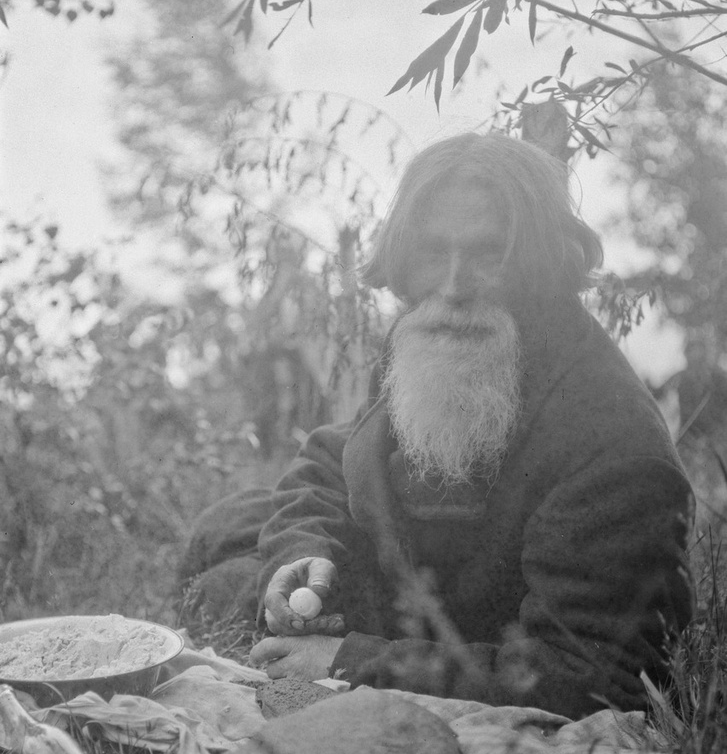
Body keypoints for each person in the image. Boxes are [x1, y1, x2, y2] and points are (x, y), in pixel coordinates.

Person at [182, 132, 694, 720]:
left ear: (543, 262)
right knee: (230, 526)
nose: (454, 286)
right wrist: (302, 558)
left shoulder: (614, 443)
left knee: (224, 586)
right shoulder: (437, 332)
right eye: (433, 253)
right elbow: (336, 454)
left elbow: (591, 679)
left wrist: (349, 662)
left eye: (487, 254)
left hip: (485, 648)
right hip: (414, 596)